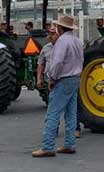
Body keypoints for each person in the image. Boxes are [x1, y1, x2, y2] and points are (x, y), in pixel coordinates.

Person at [33, 15, 84, 158]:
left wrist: (52, 78)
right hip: (75, 77)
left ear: (61, 28)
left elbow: (57, 63)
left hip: (63, 79)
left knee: (53, 113)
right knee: (71, 113)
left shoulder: (62, 41)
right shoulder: (77, 41)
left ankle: (48, 146)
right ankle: (69, 144)